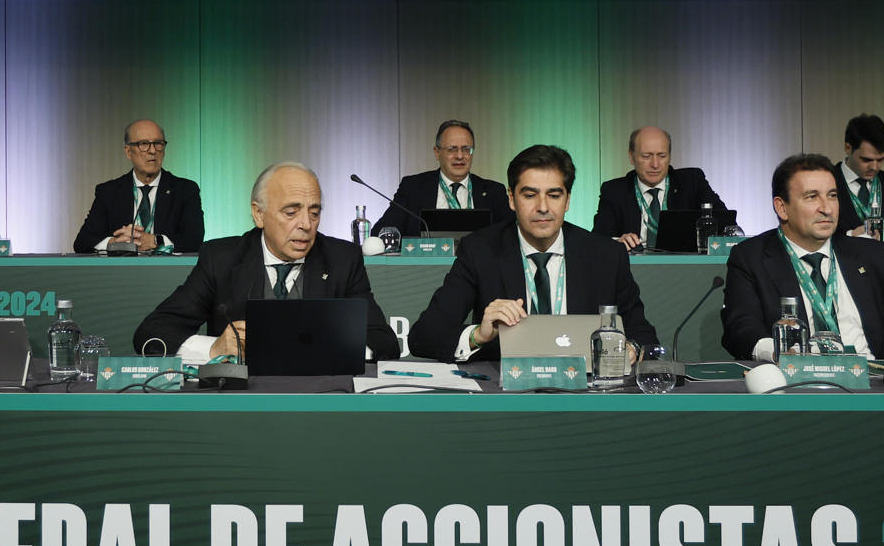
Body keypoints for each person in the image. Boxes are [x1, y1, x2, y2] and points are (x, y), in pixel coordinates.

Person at [408, 144, 657, 361]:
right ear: (512, 200)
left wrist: (631, 348)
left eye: (554, 195)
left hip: (586, 394)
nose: (543, 207)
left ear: (567, 200)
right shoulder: (480, 250)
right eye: (530, 195)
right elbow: (423, 336)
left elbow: (644, 335)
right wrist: (478, 335)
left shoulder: (606, 256)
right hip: (508, 398)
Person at [132, 161, 397, 364]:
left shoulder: (342, 259)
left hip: (320, 399)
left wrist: (335, 345)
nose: (306, 225)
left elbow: (385, 343)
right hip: (241, 405)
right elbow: (151, 332)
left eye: (314, 213)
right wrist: (213, 349)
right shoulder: (222, 258)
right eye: (291, 212)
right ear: (259, 214)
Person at [720, 153, 884, 361]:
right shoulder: (752, 257)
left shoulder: (871, 255)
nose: (827, 208)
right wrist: (779, 352)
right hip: (798, 389)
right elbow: (740, 328)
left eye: (832, 195)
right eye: (812, 197)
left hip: (877, 389)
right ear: (782, 208)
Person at [73, 119, 204, 255]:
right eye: (144, 144)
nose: (153, 151)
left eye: (158, 144)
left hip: (168, 273)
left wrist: (155, 241)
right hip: (122, 273)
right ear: (128, 151)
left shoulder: (185, 190)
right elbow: (82, 242)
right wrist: (113, 243)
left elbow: (194, 240)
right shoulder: (109, 192)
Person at [590, 126, 728, 251]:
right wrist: (617, 243)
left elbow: (727, 224)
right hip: (634, 269)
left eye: (662, 156)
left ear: (669, 156)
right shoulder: (614, 191)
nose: (655, 164)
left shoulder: (692, 182)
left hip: (684, 266)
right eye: (646, 156)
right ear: (631, 157)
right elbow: (597, 240)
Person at [374, 119, 513, 237]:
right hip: (426, 266)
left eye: (466, 149)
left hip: (479, 267)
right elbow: (382, 232)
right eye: (452, 149)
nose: (459, 156)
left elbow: (512, 236)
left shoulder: (494, 191)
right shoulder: (413, 188)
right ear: (437, 152)